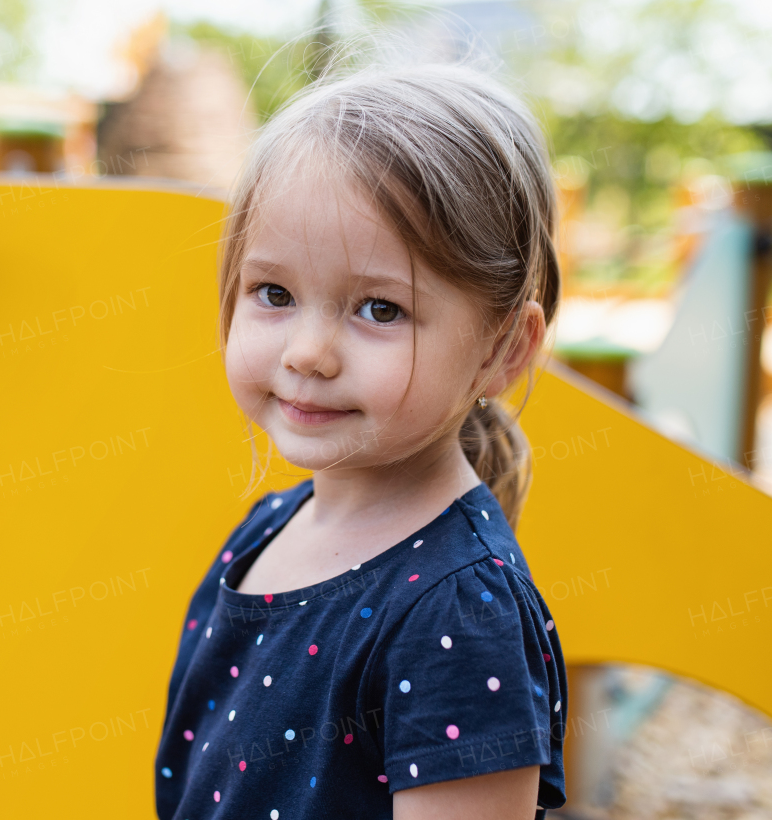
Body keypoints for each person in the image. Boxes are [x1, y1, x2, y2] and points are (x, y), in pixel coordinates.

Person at [153, 59, 568, 820]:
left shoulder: (459, 613)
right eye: (273, 294)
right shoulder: (267, 530)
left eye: (379, 309)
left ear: (502, 350)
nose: (308, 352)